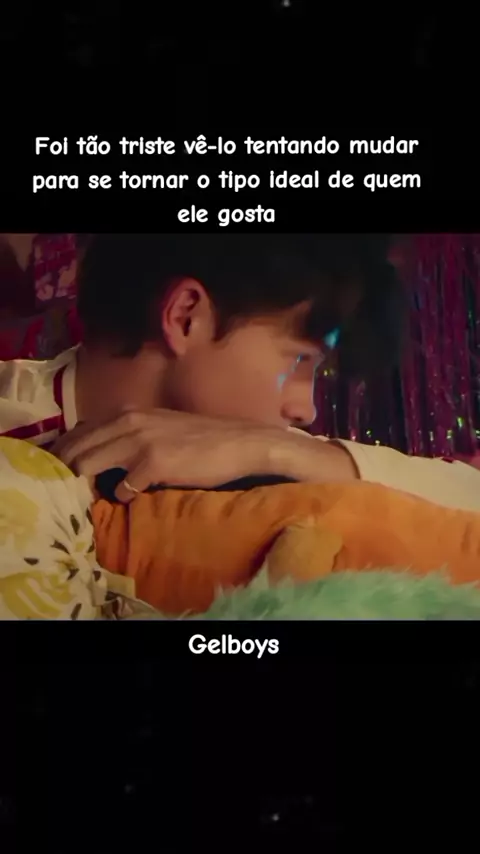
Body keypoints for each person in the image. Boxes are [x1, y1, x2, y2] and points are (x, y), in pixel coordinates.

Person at [0, 233, 479, 512]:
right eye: (300, 361)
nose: (307, 410)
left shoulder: (265, 453)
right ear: (185, 317)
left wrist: (275, 450)